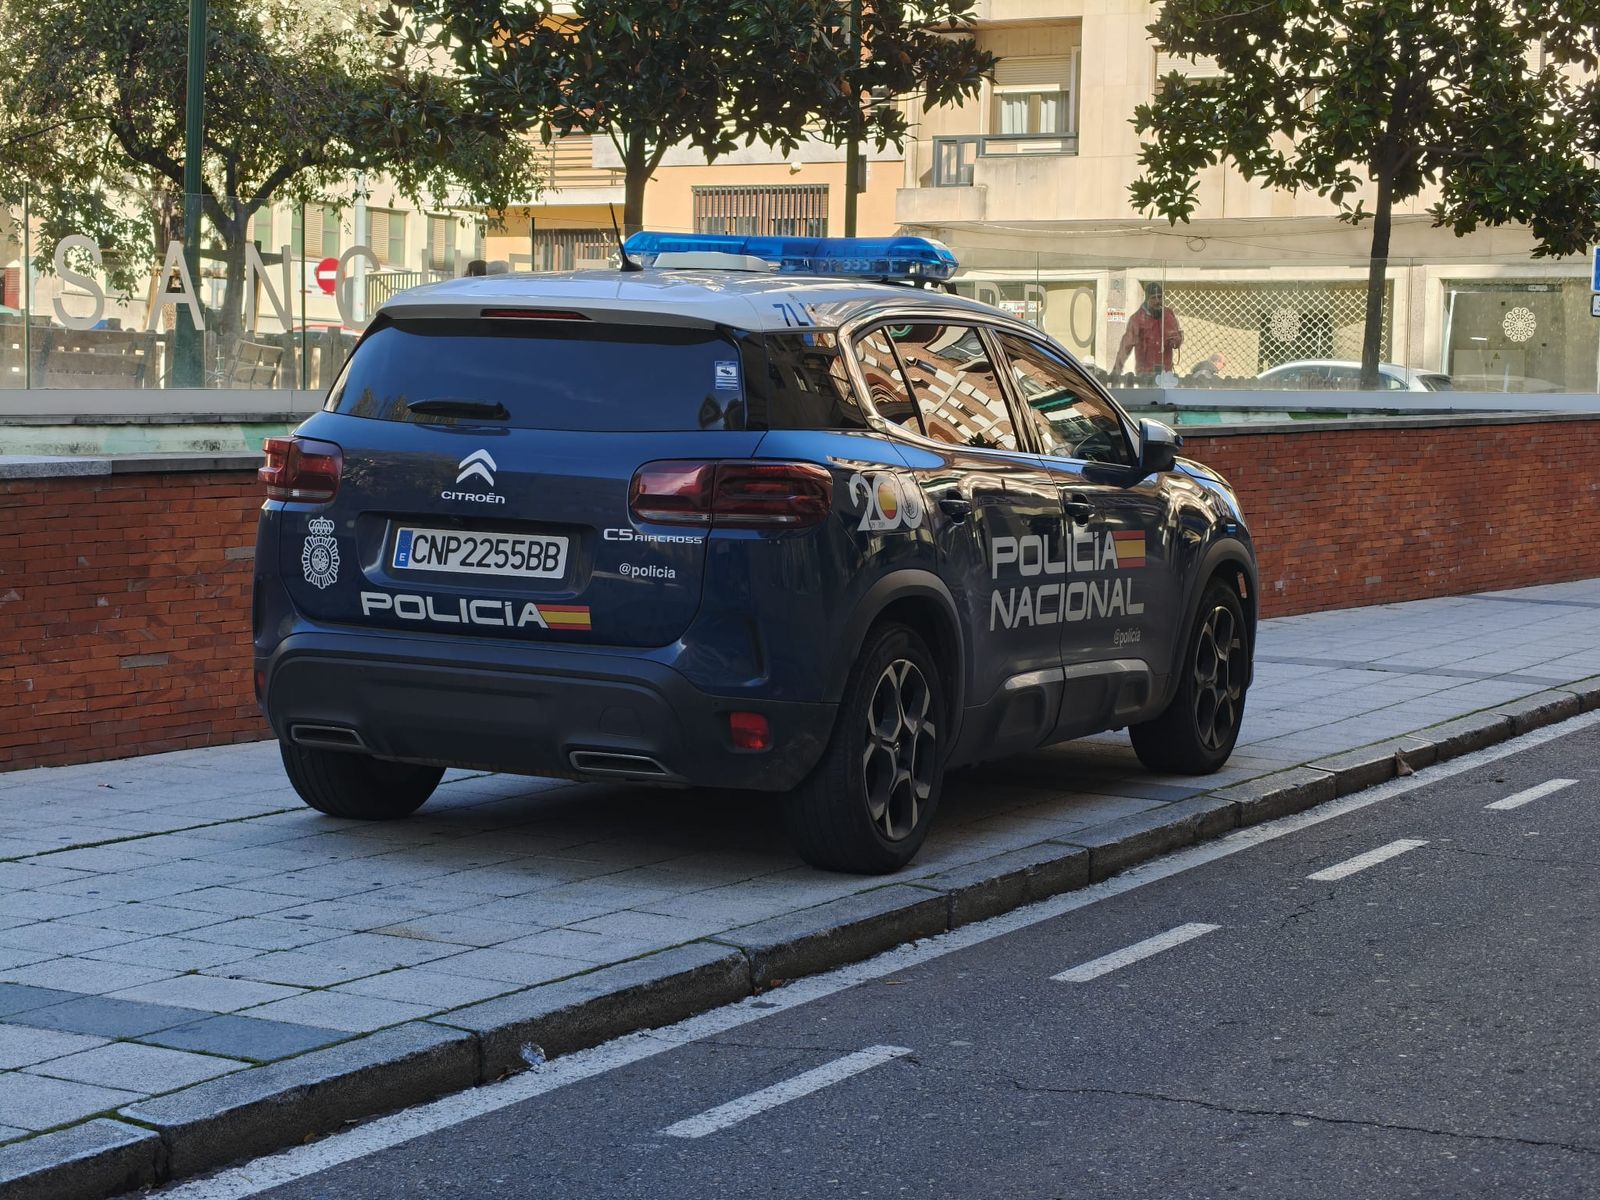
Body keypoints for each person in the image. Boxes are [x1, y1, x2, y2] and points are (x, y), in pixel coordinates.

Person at [1111, 282, 1184, 376]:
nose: (1158, 301)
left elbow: (1177, 337)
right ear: (1147, 299)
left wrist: (1176, 340)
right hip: (1145, 375)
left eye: (1160, 297)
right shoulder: (1137, 319)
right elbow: (1125, 346)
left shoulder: (1168, 314)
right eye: (1154, 298)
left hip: (1165, 373)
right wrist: (1116, 371)